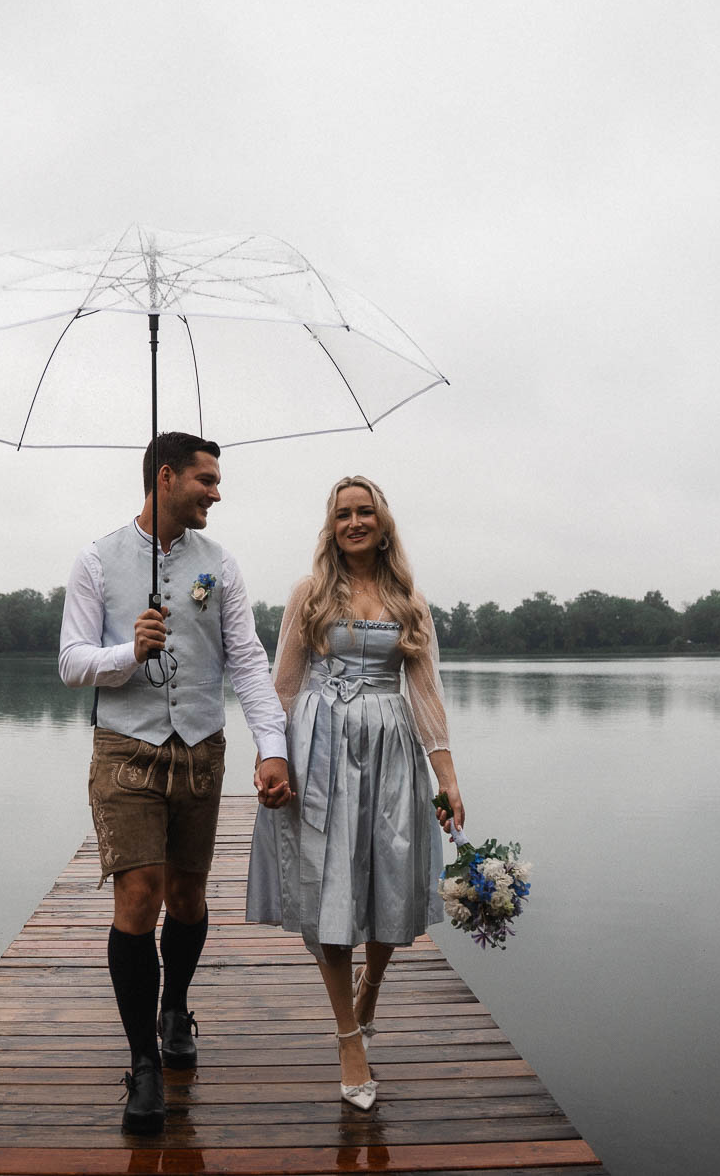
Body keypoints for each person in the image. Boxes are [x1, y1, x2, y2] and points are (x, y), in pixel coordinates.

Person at [58, 431, 291, 1136]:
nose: (216, 492)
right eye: (205, 480)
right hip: (124, 750)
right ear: (166, 478)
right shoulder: (96, 560)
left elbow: (247, 660)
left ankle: (175, 1007)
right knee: (141, 892)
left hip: (200, 749)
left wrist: (272, 748)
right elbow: (70, 662)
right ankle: (144, 1065)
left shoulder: (220, 565)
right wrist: (129, 651)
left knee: (188, 895)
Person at [245, 475, 464, 1112]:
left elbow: (425, 692)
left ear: (383, 522)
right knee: (330, 889)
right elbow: (283, 685)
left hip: (391, 749)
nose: (355, 522)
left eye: (365, 512)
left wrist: (447, 775)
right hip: (321, 749)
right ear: (331, 525)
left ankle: (371, 989)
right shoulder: (309, 594)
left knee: (392, 878)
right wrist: (270, 758)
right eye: (343, 514)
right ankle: (348, 1037)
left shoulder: (409, 600)